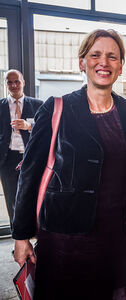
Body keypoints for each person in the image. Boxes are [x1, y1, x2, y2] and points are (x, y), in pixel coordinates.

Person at [12, 29, 126, 300]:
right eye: (95, 55)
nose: (103, 62)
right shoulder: (56, 107)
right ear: (81, 62)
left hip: (112, 234)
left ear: (121, 66)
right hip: (63, 234)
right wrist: (21, 235)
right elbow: (30, 173)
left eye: (112, 57)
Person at [0, 69, 42, 227]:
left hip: (30, 158)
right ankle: (17, 238)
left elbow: (46, 129)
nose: (13, 85)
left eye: (16, 81)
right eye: (9, 82)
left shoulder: (38, 105)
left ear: (23, 83)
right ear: (6, 85)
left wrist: (28, 125)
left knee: (33, 198)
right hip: (7, 159)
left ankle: (35, 235)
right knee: (12, 201)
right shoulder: (0, 106)